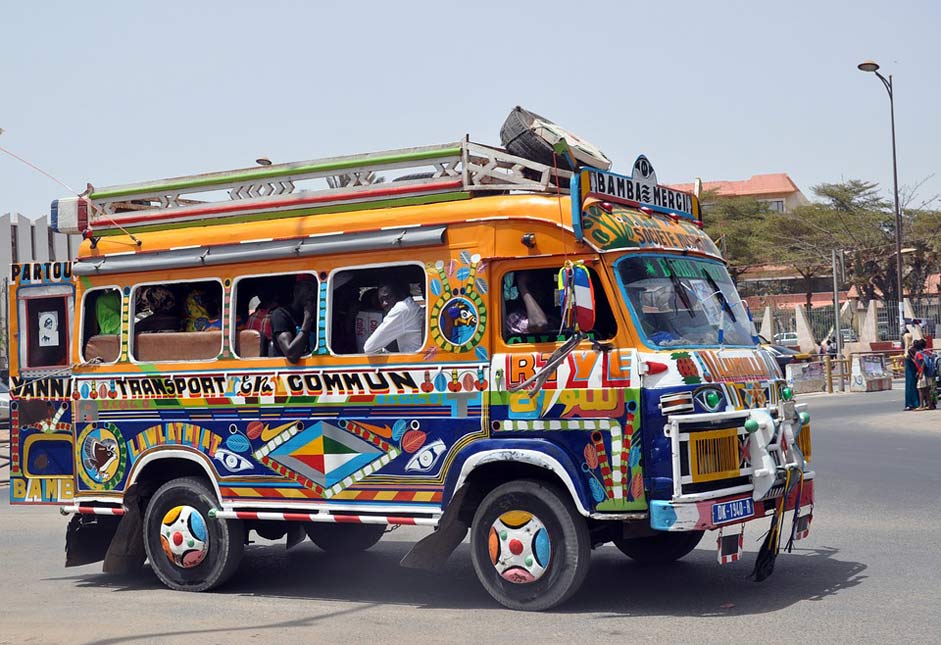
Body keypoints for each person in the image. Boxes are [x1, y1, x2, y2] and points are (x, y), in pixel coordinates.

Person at [362, 282, 424, 354]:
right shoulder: (411, 306)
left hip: (413, 362)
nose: (384, 303)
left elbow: (369, 347)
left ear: (400, 294)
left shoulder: (402, 308)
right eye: (381, 300)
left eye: (388, 298)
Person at [270, 275, 318, 362]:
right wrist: (308, 320)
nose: (312, 294)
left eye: (314, 290)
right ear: (297, 290)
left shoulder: (315, 316)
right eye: (309, 288)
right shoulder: (280, 314)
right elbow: (291, 355)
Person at [503, 270, 559, 339]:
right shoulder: (514, 317)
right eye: (532, 285)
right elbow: (539, 324)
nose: (539, 289)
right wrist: (522, 285)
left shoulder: (552, 312)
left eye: (541, 284)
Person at [903, 324, 920, 411]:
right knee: (914, 385)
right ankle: (915, 402)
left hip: (911, 370)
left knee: (910, 385)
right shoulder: (915, 349)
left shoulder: (909, 351)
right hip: (914, 369)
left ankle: (911, 403)